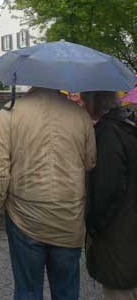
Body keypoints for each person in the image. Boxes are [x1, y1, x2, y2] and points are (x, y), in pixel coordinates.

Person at [0, 87, 96, 300]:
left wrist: (1, 204)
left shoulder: (10, 113)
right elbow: (90, 161)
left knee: (27, 290)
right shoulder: (80, 114)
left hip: (24, 215)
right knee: (66, 290)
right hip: (68, 216)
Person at [80, 91, 137, 300]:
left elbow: (106, 191)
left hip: (118, 238)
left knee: (119, 290)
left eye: (85, 101)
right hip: (129, 229)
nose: (83, 106)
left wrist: (93, 225)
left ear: (94, 103)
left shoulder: (107, 134)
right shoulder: (128, 124)